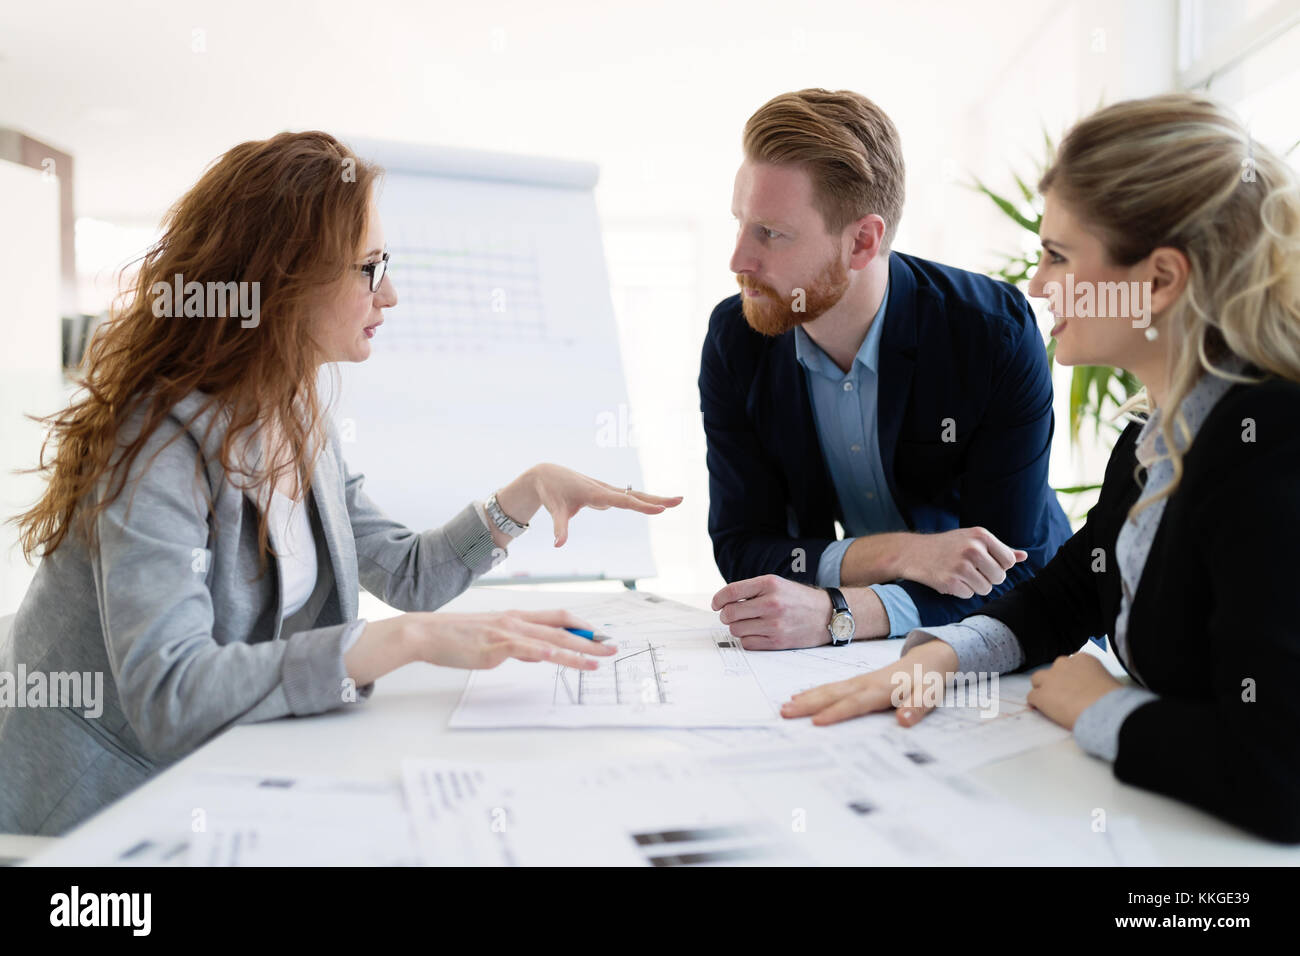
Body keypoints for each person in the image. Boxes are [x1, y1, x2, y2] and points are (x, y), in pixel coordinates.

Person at [0, 131, 680, 836]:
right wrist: (402, 642)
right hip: (91, 817)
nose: (389, 293)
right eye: (366, 267)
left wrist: (527, 493)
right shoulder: (160, 446)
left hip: (215, 783)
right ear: (280, 280)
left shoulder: (294, 411)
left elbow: (407, 572)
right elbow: (170, 695)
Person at [782, 93, 1300, 843]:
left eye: (1059, 255)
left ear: (1157, 281)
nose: (1036, 284)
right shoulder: (1160, 432)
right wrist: (940, 659)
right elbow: (1071, 592)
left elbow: (1279, 776)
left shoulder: (1270, 449)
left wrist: (1098, 705)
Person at [701, 88, 1072, 650]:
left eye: (771, 233)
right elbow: (743, 546)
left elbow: (1010, 566)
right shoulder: (738, 337)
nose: (738, 261)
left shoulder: (990, 332)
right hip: (871, 646)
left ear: (863, 241)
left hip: (1018, 636)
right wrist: (900, 554)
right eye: (740, 224)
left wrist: (839, 611)